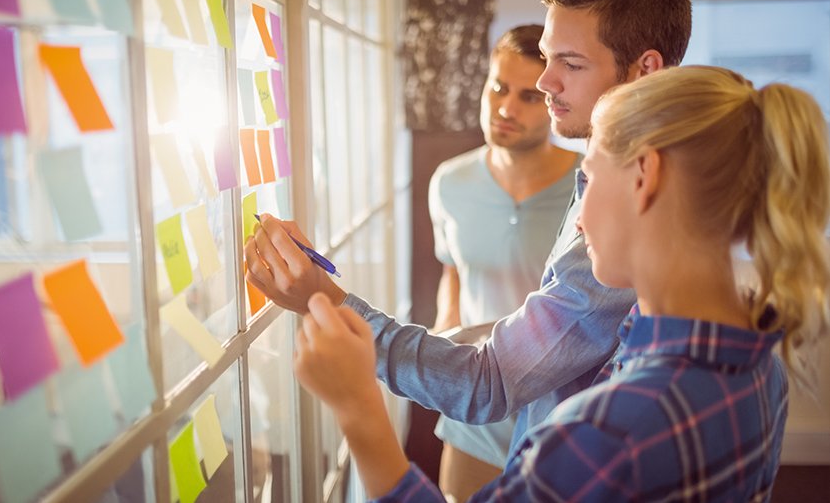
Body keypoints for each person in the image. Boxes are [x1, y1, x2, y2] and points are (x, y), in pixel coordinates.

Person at [293, 65, 830, 500]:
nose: (576, 218)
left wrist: (357, 406)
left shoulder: (609, 435)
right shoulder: (762, 365)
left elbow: (493, 380)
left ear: (646, 177)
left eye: (589, 177)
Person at [246, 0, 689, 455]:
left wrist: (323, 301)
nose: (545, 83)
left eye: (571, 63)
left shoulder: (635, 207)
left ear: (644, 69)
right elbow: (531, 323)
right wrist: (445, 339)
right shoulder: (597, 175)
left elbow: (490, 383)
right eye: (548, 57)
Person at [427, 23, 578, 498]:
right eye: (498, 88)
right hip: (475, 403)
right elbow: (453, 269)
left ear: (553, 100)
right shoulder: (448, 183)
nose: (506, 108)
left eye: (529, 96)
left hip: (560, 407)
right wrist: (444, 326)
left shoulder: (589, 186)